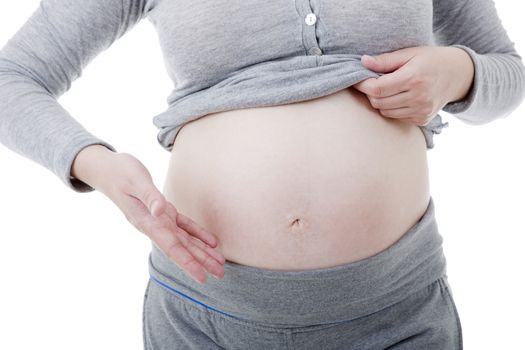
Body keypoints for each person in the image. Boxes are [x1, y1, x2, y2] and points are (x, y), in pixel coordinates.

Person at [1, 0, 524, 349]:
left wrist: (461, 71)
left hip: (395, 314)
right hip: (208, 318)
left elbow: (509, 71)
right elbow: (12, 79)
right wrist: (98, 166)